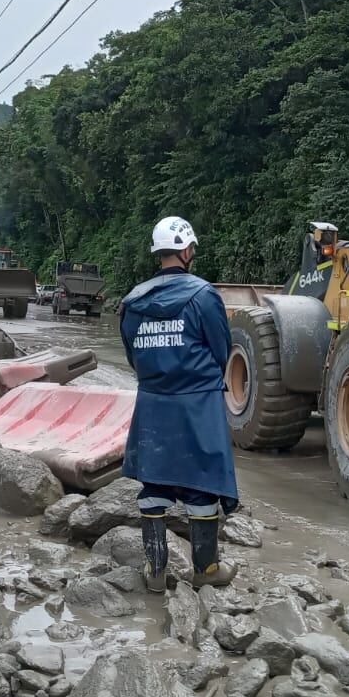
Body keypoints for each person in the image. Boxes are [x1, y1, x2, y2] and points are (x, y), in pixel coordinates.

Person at [120, 216, 240, 591]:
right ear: (187, 251)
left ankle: (155, 572)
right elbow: (222, 349)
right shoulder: (204, 296)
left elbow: (131, 355)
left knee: (154, 482)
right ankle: (205, 570)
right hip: (198, 403)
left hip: (154, 402)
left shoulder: (132, 301)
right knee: (201, 484)